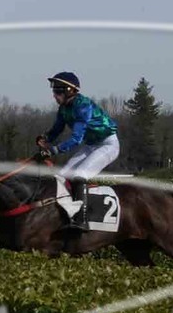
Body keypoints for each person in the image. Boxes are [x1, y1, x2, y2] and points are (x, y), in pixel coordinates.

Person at [36, 71, 120, 231]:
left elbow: (76, 139)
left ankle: (81, 220)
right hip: (91, 146)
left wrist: (53, 150)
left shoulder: (83, 106)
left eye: (58, 91)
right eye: (54, 91)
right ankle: (66, 214)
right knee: (61, 175)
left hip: (108, 145)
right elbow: (57, 129)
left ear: (70, 91)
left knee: (80, 174)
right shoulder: (63, 109)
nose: (54, 95)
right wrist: (45, 138)